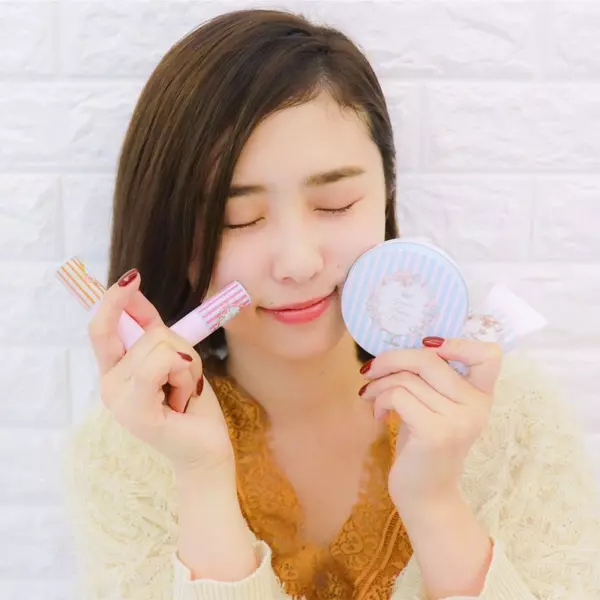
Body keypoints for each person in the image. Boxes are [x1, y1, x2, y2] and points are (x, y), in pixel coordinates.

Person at [63, 8, 600, 600]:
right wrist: (202, 476)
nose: (298, 262)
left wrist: (436, 505)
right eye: (237, 218)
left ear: (386, 194)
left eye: (336, 204)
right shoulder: (128, 452)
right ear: (173, 233)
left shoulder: (510, 416)